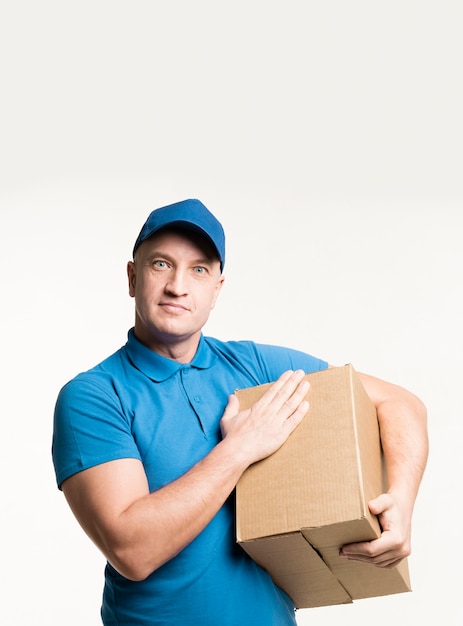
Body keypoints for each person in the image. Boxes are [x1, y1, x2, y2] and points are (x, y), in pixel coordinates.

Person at [52, 198, 428, 626]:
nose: (178, 285)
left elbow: (400, 403)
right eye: (161, 265)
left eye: (199, 269)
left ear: (217, 289)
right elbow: (133, 551)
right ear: (132, 277)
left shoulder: (255, 368)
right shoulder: (94, 395)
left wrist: (400, 500)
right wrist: (242, 447)